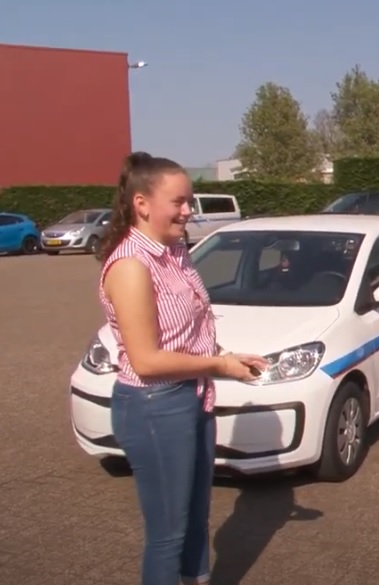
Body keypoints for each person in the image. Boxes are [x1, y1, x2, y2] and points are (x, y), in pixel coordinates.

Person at [96, 151, 267, 585]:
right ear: (142, 204)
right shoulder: (131, 265)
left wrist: (227, 354)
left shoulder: (176, 252)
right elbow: (147, 360)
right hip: (154, 406)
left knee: (196, 520)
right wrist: (219, 365)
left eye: (189, 201)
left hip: (193, 397)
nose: (188, 211)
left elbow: (186, 332)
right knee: (167, 536)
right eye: (178, 202)